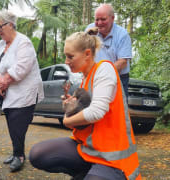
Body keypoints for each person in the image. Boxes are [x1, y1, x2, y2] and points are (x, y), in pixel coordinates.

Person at [29, 31, 141, 180]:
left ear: (87, 54)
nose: (66, 61)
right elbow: (85, 115)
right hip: (87, 149)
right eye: (66, 56)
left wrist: (67, 121)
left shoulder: (104, 69)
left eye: (70, 56)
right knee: (37, 154)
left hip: (112, 158)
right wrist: (71, 107)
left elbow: (96, 112)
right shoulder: (85, 78)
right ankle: (85, 173)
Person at [0, 10, 44, 172]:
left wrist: (3, 82)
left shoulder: (23, 42)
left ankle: (19, 156)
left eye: (0, 27)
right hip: (7, 90)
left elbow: (21, 68)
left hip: (24, 92)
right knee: (12, 123)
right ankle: (15, 152)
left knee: (18, 124)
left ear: (10, 24)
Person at [85, 4, 132, 98]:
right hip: (93, 78)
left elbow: (122, 62)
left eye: (103, 19)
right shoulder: (90, 30)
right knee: (92, 108)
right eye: (97, 19)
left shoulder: (122, 34)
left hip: (117, 78)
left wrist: (102, 73)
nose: (99, 23)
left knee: (117, 109)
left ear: (112, 18)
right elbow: (82, 52)